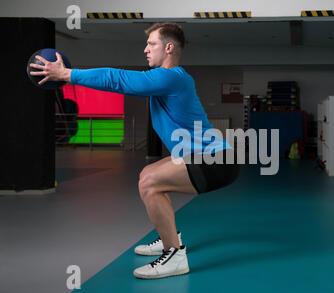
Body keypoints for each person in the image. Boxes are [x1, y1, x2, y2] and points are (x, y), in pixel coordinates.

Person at [29, 22, 240, 279]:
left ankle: (174, 254)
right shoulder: (169, 79)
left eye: (152, 44)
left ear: (169, 47)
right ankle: (168, 239)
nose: (145, 49)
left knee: (149, 182)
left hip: (217, 160)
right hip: (212, 158)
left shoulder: (170, 77)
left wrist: (67, 75)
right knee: (150, 175)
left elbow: (117, 79)